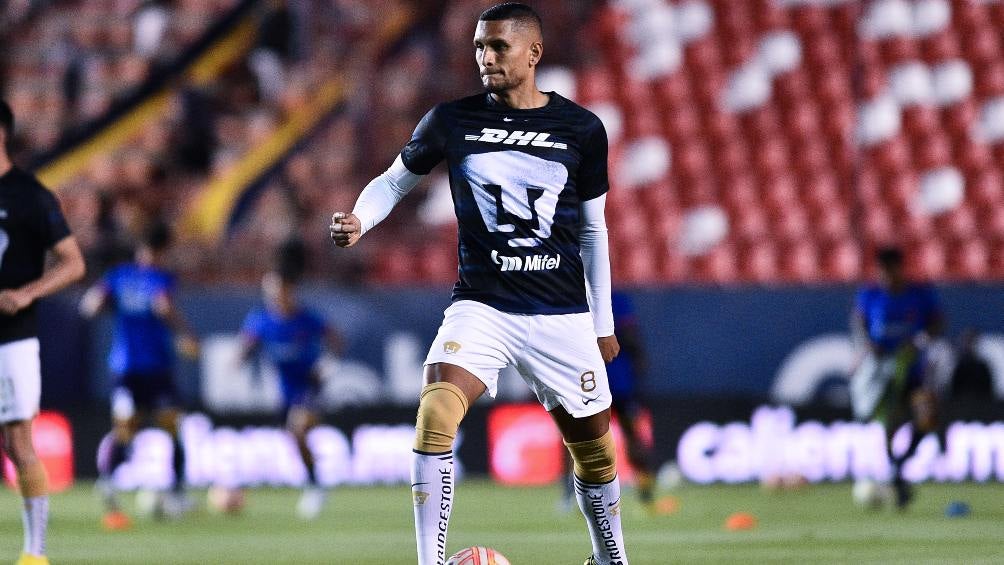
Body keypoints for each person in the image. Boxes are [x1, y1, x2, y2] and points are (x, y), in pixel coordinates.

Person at [330, 4, 629, 563]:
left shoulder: (583, 129)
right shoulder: (451, 120)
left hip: (561, 313)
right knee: (435, 414)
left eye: (498, 46)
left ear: (534, 53)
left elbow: (593, 230)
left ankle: (612, 558)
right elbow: (393, 183)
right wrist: (359, 220)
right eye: (479, 47)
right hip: (483, 305)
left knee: (595, 452)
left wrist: (603, 323)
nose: (485, 58)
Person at [0, 99, 87, 565]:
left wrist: (26, 293)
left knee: (18, 443)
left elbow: (74, 263)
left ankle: (35, 553)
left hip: (12, 336)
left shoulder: (31, 196)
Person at [80, 222, 198, 529]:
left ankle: (110, 483)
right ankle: (174, 493)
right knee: (166, 427)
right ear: (164, 251)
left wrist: (109, 305)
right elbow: (164, 307)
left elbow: (90, 305)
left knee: (130, 427)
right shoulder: (162, 278)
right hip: (150, 367)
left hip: (128, 367)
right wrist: (186, 333)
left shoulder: (118, 276)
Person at [236, 239, 342, 520]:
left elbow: (336, 340)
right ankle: (315, 481)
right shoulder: (261, 320)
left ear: (289, 290)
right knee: (294, 438)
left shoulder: (306, 319)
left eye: (278, 289)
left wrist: (328, 364)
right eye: (269, 290)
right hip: (284, 390)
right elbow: (247, 345)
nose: (273, 295)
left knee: (298, 428)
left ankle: (315, 487)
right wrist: (240, 358)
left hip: (309, 385)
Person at [850, 246, 943, 509]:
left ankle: (899, 466)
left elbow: (937, 322)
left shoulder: (919, 294)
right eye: (881, 272)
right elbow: (859, 321)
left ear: (899, 269)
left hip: (913, 370)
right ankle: (896, 476)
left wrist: (919, 340)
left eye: (889, 271)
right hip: (881, 373)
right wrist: (867, 344)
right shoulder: (870, 294)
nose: (885, 277)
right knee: (888, 424)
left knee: (927, 417)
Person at [562, 291, 657, 513]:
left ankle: (570, 495)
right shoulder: (616, 299)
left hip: (588, 381)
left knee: (577, 437)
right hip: (619, 380)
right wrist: (639, 365)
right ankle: (646, 492)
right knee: (632, 434)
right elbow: (631, 337)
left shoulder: (575, 297)